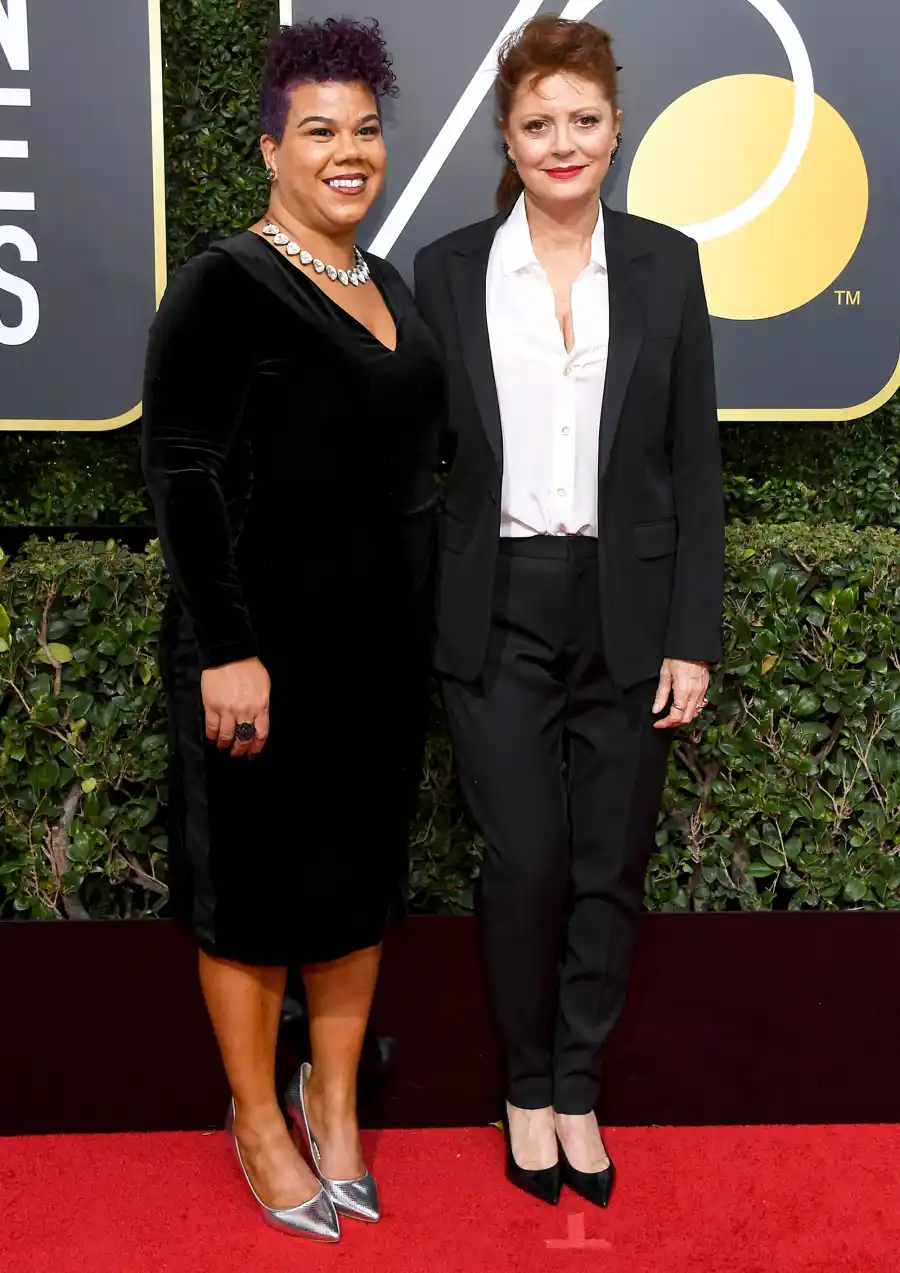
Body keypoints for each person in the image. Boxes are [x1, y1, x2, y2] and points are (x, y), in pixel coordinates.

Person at [415, 15, 724, 1208]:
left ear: (615, 128)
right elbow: (415, 463)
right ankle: (524, 1085)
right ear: (506, 133)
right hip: (493, 604)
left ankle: (581, 1086)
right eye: (538, 123)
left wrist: (693, 632)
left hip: (631, 605)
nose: (562, 142)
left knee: (610, 862)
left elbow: (694, 462)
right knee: (526, 860)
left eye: (583, 121)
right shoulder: (445, 273)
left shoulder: (667, 262)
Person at [141, 18, 442, 1240]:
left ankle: (337, 1106)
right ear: (272, 148)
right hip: (259, 656)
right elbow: (182, 465)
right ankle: (256, 1117)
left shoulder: (385, 281)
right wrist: (227, 646)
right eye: (320, 130)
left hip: (378, 657)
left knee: (355, 887)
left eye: (365, 128)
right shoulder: (224, 280)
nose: (348, 152)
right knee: (256, 896)